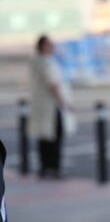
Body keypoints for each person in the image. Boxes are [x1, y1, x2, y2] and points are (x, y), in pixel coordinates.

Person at [29, 35, 76, 179]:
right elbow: (53, 85)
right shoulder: (47, 63)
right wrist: (64, 103)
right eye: (50, 44)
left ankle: (44, 168)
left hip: (40, 106)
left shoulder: (35, 61)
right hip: (51, 107)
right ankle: (55, 169)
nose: (53, 47)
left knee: (44, 138)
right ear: (43, 46)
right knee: (55, 138)